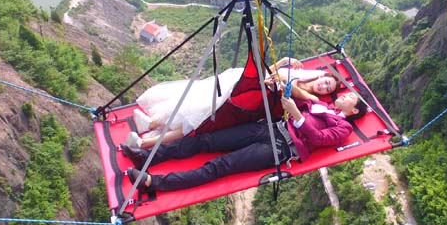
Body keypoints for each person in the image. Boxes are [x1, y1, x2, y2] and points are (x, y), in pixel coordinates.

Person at [121, 91, 367, 194]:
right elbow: (297, 95)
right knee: (206, 140)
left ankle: (154, 183)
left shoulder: (343, 127)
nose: (343, 95)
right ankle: (148, 156)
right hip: (269, 128)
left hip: (278, 148)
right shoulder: (321, 104)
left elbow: (319, 138)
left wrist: (299, 115)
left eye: (349, 98)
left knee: (218, 166)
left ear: (354, 110)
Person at [129, 58, 341, 147]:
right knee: (198, 100)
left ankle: (145, 141)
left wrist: (283, 77)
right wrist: (284, 62)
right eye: (325, 82)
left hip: (252, 101)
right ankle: (152, 123)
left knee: (199, 121)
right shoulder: (302, 75)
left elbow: (286, 87)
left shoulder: (311, 97)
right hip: (247, 85)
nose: (323, 87)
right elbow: (270, 72)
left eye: (328, 88)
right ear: (320, 77)